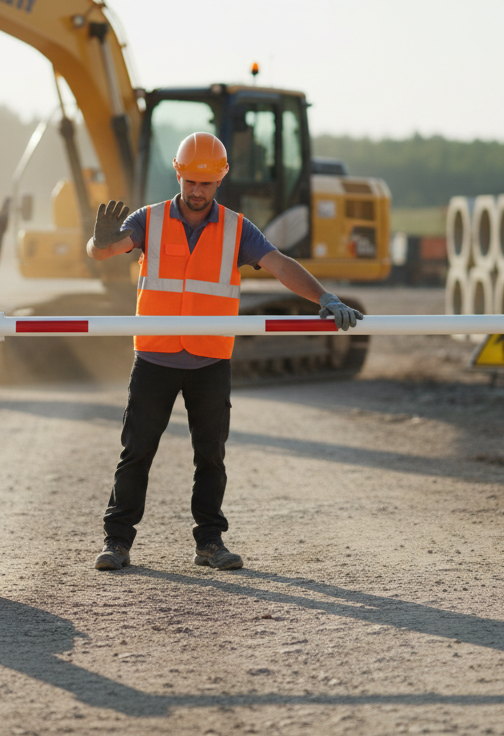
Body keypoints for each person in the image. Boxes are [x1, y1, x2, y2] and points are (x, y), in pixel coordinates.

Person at [85, 131, 364, 572]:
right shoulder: (149, 220)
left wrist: (325, 298)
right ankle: (116, 542)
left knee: (210, 455)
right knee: (136, 452)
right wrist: (97, 242)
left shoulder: (237, 228)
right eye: (191, 182)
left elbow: (280, 266)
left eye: (207, 184)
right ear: (178, 174)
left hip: (209, 360)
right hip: (155, 358)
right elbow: (105, 252)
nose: (197, 192)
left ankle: (209, 544)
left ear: (220, 180)